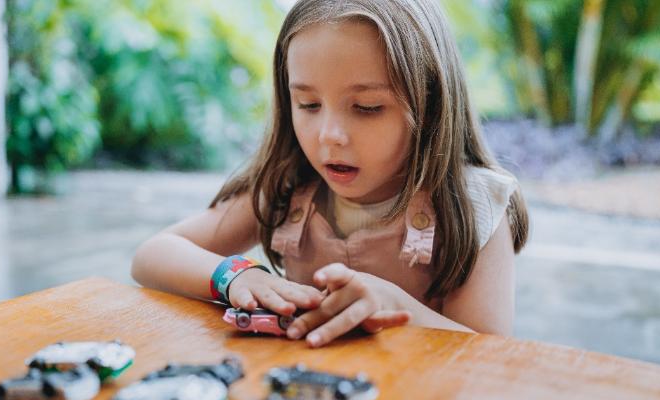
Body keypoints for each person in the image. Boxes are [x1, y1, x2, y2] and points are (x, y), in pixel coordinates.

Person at [132, 0, 529, 348]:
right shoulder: (291, 185)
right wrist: (235, 275)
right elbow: (152, 256)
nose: (330, 136)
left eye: (367, 107)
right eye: (307, 104)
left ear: (430, 104)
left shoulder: (474, 206)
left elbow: (487, 356)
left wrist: (397, 307)